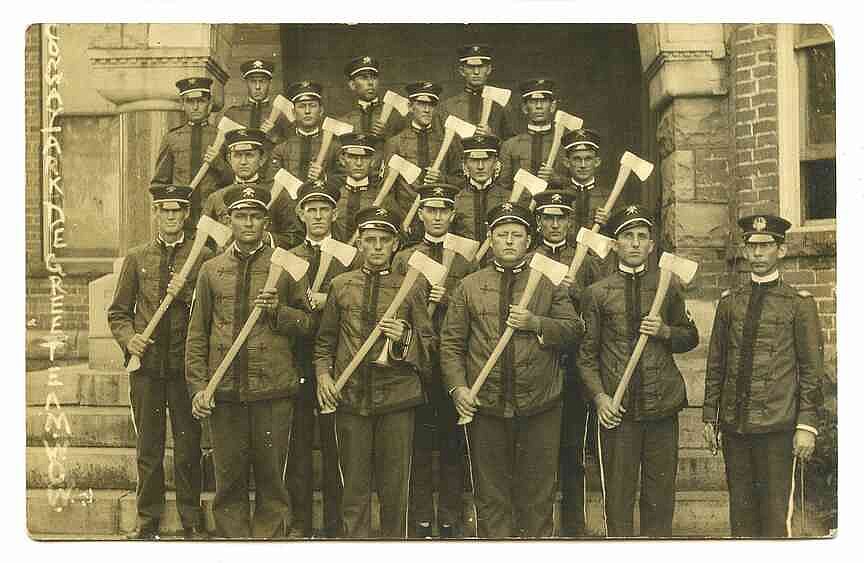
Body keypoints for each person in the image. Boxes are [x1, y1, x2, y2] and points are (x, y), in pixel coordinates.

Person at [440, 202, 583, 538]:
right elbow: (450, 344)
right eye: (501, 234)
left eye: (516, 235)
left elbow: (574, 331)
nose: (508, 241)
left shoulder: (548, 284)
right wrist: (458, 389)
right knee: (491, 497)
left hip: (540, 406)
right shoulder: (469, 286)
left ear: (528, 240)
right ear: (490, 239)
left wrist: (536, 323)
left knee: (537, 497)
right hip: (485, 405)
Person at [185, 184, 316, 538]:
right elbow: (197, 334)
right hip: (223, 391)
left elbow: (309, 324)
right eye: (240, 216)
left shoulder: (287, 268)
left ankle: (268, 543)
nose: (247, 223)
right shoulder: (210, 270)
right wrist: (199, 386)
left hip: (272, 390)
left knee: (273, 480)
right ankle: (235, 543)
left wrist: (279, 312)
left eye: (255, 217)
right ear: (228, 220)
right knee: (228, 479)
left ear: (265, 222)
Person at [314, 206, 437, 538]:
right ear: (359, 242)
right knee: (353, 491)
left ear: (396, 244)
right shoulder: (340, 285)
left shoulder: (411, 287)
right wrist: (324, 376)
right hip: (350, 398)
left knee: (395, 491)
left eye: (385, 240)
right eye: (370, 240)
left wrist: (405, 337)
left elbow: (429, 345)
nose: (378, 247)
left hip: (397, 399)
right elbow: (324, 341)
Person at [578, 204, 699, 537]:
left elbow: (690, 336)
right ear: (615, 244)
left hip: (662, 406)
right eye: (627, 236)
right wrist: (600, 398)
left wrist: (665, 332)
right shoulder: (597, 293)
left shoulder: (668, 285)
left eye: (641, 237)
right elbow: (586, 356)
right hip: (618, 411)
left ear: (651, 245)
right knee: (617, 500)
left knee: (660, 498)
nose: (634, 243)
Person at [703, 214, 823, 538]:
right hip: (735, 427)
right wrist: (710, 418)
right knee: (741, 519)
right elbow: (717, 363)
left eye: (766, 245)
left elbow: (812, 370)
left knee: (774, 520)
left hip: (778, 428)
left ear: (781, 251)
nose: (757, 253)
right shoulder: (729, 303)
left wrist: (806, 426)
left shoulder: (799, 305)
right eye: (751, 246)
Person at [108, 184, 212, 540]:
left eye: (177, 210)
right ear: (156, 214)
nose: (170, 216)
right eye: (164, 210)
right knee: (149, 447)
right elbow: (118, 313)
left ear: (186, 215)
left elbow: (210, 312)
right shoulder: (137, 258)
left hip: (185, 367)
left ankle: (191, 518)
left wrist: (184, 291)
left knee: (187, 447)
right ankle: (147, 518)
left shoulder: (204, 256)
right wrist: (129, 338)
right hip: (147, 369)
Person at [392, 184, 475, 538]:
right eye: (431, 210)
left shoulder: (469, 258)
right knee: (419, 446)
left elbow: (476, 307)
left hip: (455, 362)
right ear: (421, 214)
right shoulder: (404, 258)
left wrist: (451, 297)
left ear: (452, 215)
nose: (438, 216)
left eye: (444, 211)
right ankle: (421, 519)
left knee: (453, 446)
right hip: (416, 361)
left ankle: (451, 518)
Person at [531, 189, 604, 537]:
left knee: (572, 448)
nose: (554, 224)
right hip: (539, 361)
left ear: (570, 222)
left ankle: (574, 525)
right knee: (538, 450)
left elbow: (601, 309)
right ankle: (538, 523)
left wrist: (578, 293)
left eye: (561, 217)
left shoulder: (587, 261)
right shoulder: (529, 258)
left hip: (575, 365)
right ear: (539, 221)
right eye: (548, 217)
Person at [285, 182, 356, 538]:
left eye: (324, 209)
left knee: (335, 445)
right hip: (297, 362)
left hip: (334, 363)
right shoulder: (288, 256)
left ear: (334, 214)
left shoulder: (349, 256)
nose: (317, 215)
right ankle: (299, 522)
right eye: (310, 209)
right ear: (300, 214)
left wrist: (327, 299)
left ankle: (334, 523)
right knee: (298, 447)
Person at [382, 81, 463, 239]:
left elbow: (461, 181)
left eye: (431, 105)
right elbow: (388, 192)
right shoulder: (395, 143)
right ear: (410, 107)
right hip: (407, 222)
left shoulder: (447, 142)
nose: (427, 109)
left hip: (440, 223)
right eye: (421, 104)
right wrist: (401, 221)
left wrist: (442, 179)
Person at [152, 77, 231, 235]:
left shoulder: (221, 137)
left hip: (214, 216)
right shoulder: (172, 138)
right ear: (183, 105)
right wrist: (171, 206)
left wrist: (218, 163)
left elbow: (233, 180)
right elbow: (159, 183)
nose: (195, 107)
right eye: (190, 102)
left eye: (201, 101)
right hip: (181, 216)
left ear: (209, 105)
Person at [202, 128, 303, 250]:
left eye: (249, 155)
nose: (243, 162)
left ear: (262, 159)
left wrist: (268, 237)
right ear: (229, 159)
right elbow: (203, 243)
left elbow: (296, 237)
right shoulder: (216, 198)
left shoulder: (278, 194)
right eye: (238, 156)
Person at [451, 135, 527, 244]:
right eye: (474, 160)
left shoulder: (509, 199)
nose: (480, 166)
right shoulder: (456, 200)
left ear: (495, 163)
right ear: (465, 164)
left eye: (486, 160)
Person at [498, 79, 568, 191]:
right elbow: (503, 185)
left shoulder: (565, 145)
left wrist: (557, 179)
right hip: (521, 206)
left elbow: (576, 184)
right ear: (524, 108)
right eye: (533, 102)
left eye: (544, 101)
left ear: (552, 106)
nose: (539, 106)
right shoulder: (510, 146)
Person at [327, 132, 395, 242]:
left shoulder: (383, 199)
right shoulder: (333, 196)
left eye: (365, 158)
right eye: (353, 157)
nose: (359, 163)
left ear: (373, 161)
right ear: (342, 160)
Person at [269, 81, 339, 184]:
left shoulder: (334, 148)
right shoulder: (281, 149)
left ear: (321, 110)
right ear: (293, 112)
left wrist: (324, 177)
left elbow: (344, 178)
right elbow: (272, 180)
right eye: (301, 106)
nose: (307, 111)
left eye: (312, 105)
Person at [439, 44, 514, 140]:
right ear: (462, 71)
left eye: (481, 67)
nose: (476, 72)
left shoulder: (501, 105)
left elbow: (512, 146)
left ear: (489, 69)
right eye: (471, 67)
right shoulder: (448, 107)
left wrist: (492, 138)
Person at [559, 128, 614, 247]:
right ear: (567, 163)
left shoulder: (610, 197)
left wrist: (609, 222)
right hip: (564, 258)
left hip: (598, 261)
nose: (583, 165)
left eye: (588, 159)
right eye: (577, 159)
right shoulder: (559, 195)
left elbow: (618, 237)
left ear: (597, 162)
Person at [339, 55, 407, 138]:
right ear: (352, 85)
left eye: (374, 78)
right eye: (364, 78)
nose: (370, 82)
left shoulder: (395, 119)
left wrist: (388, 135)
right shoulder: (345, 121)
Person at [226, 59, 290, 145]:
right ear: (246, 83)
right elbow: (224, 149)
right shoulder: (233, 114)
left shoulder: (282, 117)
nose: (257, 87)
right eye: (253, 82)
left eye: (262, 81)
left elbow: (290, 148)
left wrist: (274, 136)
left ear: (270, 83)